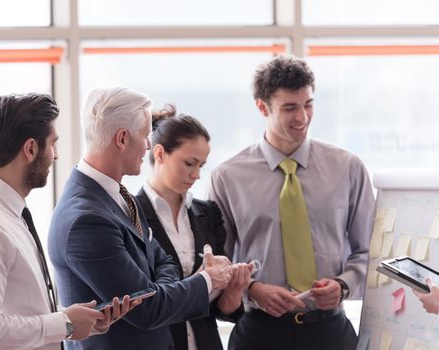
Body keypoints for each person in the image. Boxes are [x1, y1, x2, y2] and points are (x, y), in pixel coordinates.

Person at [208, 55, 375, 350]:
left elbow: (369, 250)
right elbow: (219, 260)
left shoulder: (348, 167)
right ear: (262, 107)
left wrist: (344, 285)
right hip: (259, 333)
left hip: (331, 331)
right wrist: (253, 288)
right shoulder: (227, 177)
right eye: (289, 108)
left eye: (308, 104)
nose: (302, 117)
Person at [48, 87, 233, 350]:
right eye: (145, 135)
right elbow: (148, 309)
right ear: (122, 138)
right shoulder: (86, 219)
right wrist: (207, 280)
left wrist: (155, 288)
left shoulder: (120, 195)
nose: (148, 145)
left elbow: (163, 261)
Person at [0, 93, 137, 350]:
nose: (55, 156)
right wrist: (64, 323)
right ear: (31, 149)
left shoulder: (10, 215)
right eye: (53, 144)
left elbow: (19, 310)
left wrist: (77, 321)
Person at [136, 105, 252, 350]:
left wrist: (234, 290)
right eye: (190, 163)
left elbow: (221, 309)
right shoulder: (131, 215)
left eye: (202, 165)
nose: (197, 174)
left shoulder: (207, 214)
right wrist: (203, 281)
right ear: (159, 154)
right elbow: (145, 301)